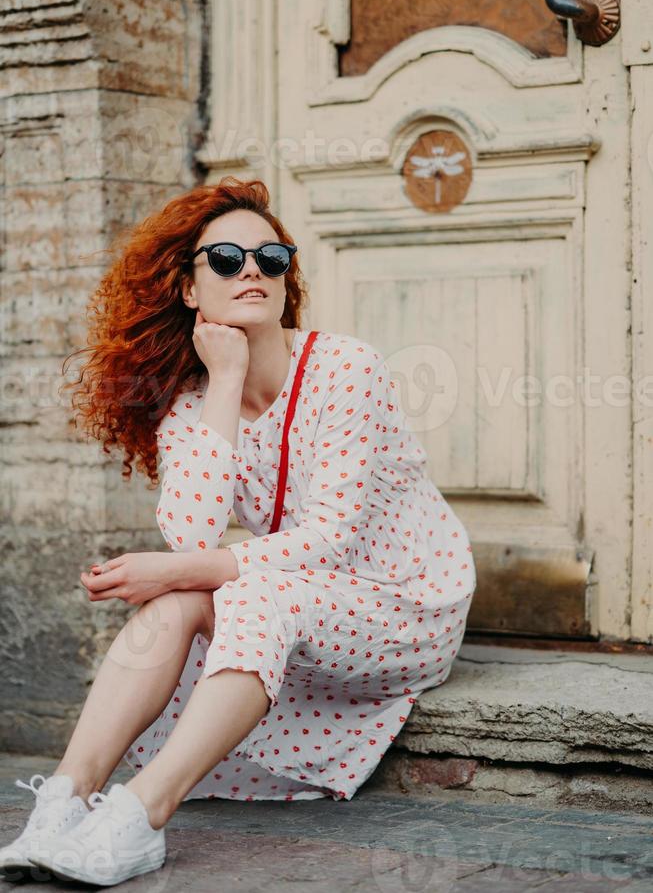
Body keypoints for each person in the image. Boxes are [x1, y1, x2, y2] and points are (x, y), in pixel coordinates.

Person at [0, 177, 477, 886]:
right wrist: (223, 383)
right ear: (190, 290)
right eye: (224, 259)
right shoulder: (191, 402)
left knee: (231, 593)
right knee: (176, 603)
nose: (250, 270)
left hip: (401, 602)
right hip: (296, 596)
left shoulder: (346, 368)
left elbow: (329, 540)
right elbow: (192, 537)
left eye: (270, 258)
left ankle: (138, 817)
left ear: (287, 281)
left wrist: (173, 569)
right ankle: (64, 804)